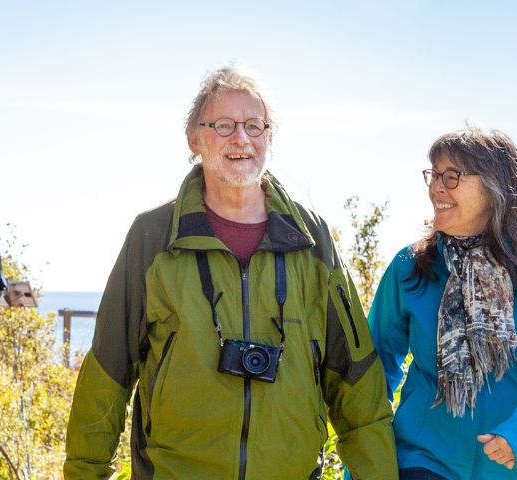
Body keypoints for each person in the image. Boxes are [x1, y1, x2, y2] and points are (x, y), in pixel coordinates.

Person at [63, 63, 398, 480]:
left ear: (270, 138)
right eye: (223, 125)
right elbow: (107, 374)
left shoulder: (312, 239)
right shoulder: (152, 237)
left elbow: (357, 385)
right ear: (194, 139)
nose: (241, 138)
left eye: (255, 126)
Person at [367, 127, 517, 479]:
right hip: (421, 460)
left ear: (494, 187)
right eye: (434, 175)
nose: (436, 187)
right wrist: (364, 460)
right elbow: (372, 368)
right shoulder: (410, 266)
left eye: (452, 176)